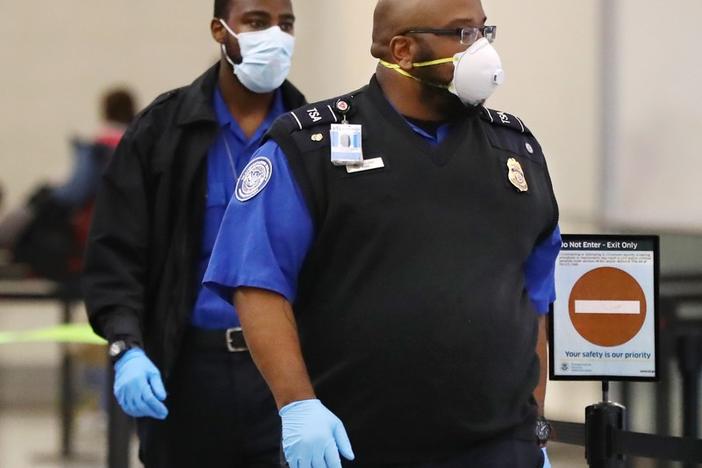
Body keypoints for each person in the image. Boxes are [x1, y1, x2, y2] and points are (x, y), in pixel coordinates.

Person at [205, 0, 561, 467]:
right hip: (357, 441)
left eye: (483, 32)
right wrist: (297, 405)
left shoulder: (516, 154)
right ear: (404, 49)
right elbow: (258, 283)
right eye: (461, 34)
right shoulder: (311, 149)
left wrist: (533, 428)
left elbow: (534, 303)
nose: (482, 50)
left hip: (497, 447)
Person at [82, 0, 306, 466]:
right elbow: (116, 252)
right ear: (220, 31)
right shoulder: (162, 131)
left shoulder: (307, 135)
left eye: (285, 24)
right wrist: (127, 346)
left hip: (286, 374)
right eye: (257, 23)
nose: (276, 37)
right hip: (188, 370)